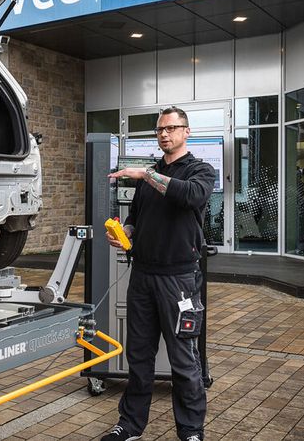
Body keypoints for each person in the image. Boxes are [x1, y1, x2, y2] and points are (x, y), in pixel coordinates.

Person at [103, 107, 215, 441]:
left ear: (186, 131)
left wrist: (145, 175)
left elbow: (191, 195)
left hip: (179, 281)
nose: (164, 134)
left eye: (171, 128)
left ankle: (191, 431)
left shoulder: (201, 171)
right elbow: (137, 216)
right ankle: (130, 425)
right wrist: (125, 231)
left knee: (184, 361)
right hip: (143, 277)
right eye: (159, 129)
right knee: (139, 358)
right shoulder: (149, 178)